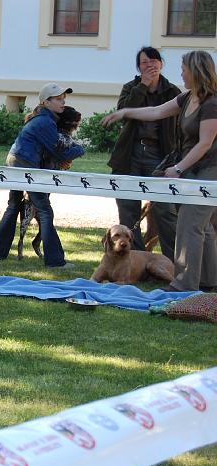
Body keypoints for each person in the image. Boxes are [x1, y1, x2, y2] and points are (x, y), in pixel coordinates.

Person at [102, 50, 217, 292]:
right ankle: (208, 281)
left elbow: (205, 142)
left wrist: (177, 168)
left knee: (190, 224)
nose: (181, 73)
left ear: (196, 71)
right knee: (204, 227)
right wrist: (125, 112)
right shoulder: (187, 97)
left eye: (184, 69)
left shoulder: (212, 103)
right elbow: (156, 111)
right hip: (193, 170)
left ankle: (184, 284)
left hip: (209, 171)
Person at [0, 83, 85, 267]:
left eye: (63, 98)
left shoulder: (43, 119)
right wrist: (80, 149)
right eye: (58, 99)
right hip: (24, 164)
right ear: (45, 102)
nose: (62, 102)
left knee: (14, 205)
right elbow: (59, 153)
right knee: (44, 211)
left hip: (15, 160)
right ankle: (55, 261)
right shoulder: (45, 122)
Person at [108, 46, 181, 261]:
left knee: (164, 210)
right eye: (144, 63)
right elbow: (125, 112)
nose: (150, 66)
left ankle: (173, 261)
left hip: (159, 154)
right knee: (128, 209)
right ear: (138, 67)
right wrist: (142, 86)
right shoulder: (131, 87)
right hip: (129, 154)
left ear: (161, 64)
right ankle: (135, 261)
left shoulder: (172, 91)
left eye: (154, 61)